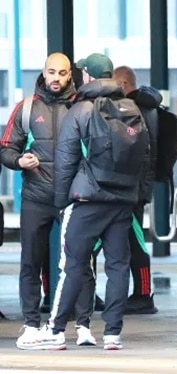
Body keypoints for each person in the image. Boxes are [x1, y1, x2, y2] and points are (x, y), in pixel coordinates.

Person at [32, 53, 150, 351]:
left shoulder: (82, 109)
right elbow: (146, 159)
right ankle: (113, 333)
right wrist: (138, 196)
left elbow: (66, 159)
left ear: (87, 75)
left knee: (71, 265)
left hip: (87, 199)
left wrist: (62, 203)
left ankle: (56, 330)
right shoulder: (131, 108)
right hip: (123, 199)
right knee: (119, 266)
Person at [0, 53, 97, 349]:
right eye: (52, 72)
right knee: (31, 262)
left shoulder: (82, 108)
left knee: (80, 262)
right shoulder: (27, 109)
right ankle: (31, 324)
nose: (56, 78)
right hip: (36, 197)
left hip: (72, 198)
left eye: (63, 73)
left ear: (71, 76)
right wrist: (19, 160)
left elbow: (98, 149)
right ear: (44, 72)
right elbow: (5, 149)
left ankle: (83, 326)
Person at [112, 66, 160, 315]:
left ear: (122, 84)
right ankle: (140, 294)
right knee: (131, 241)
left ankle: (143, 294)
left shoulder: (132, 109)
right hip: (137, 187)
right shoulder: (149, 106)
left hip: (132, 189)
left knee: (136, 243)